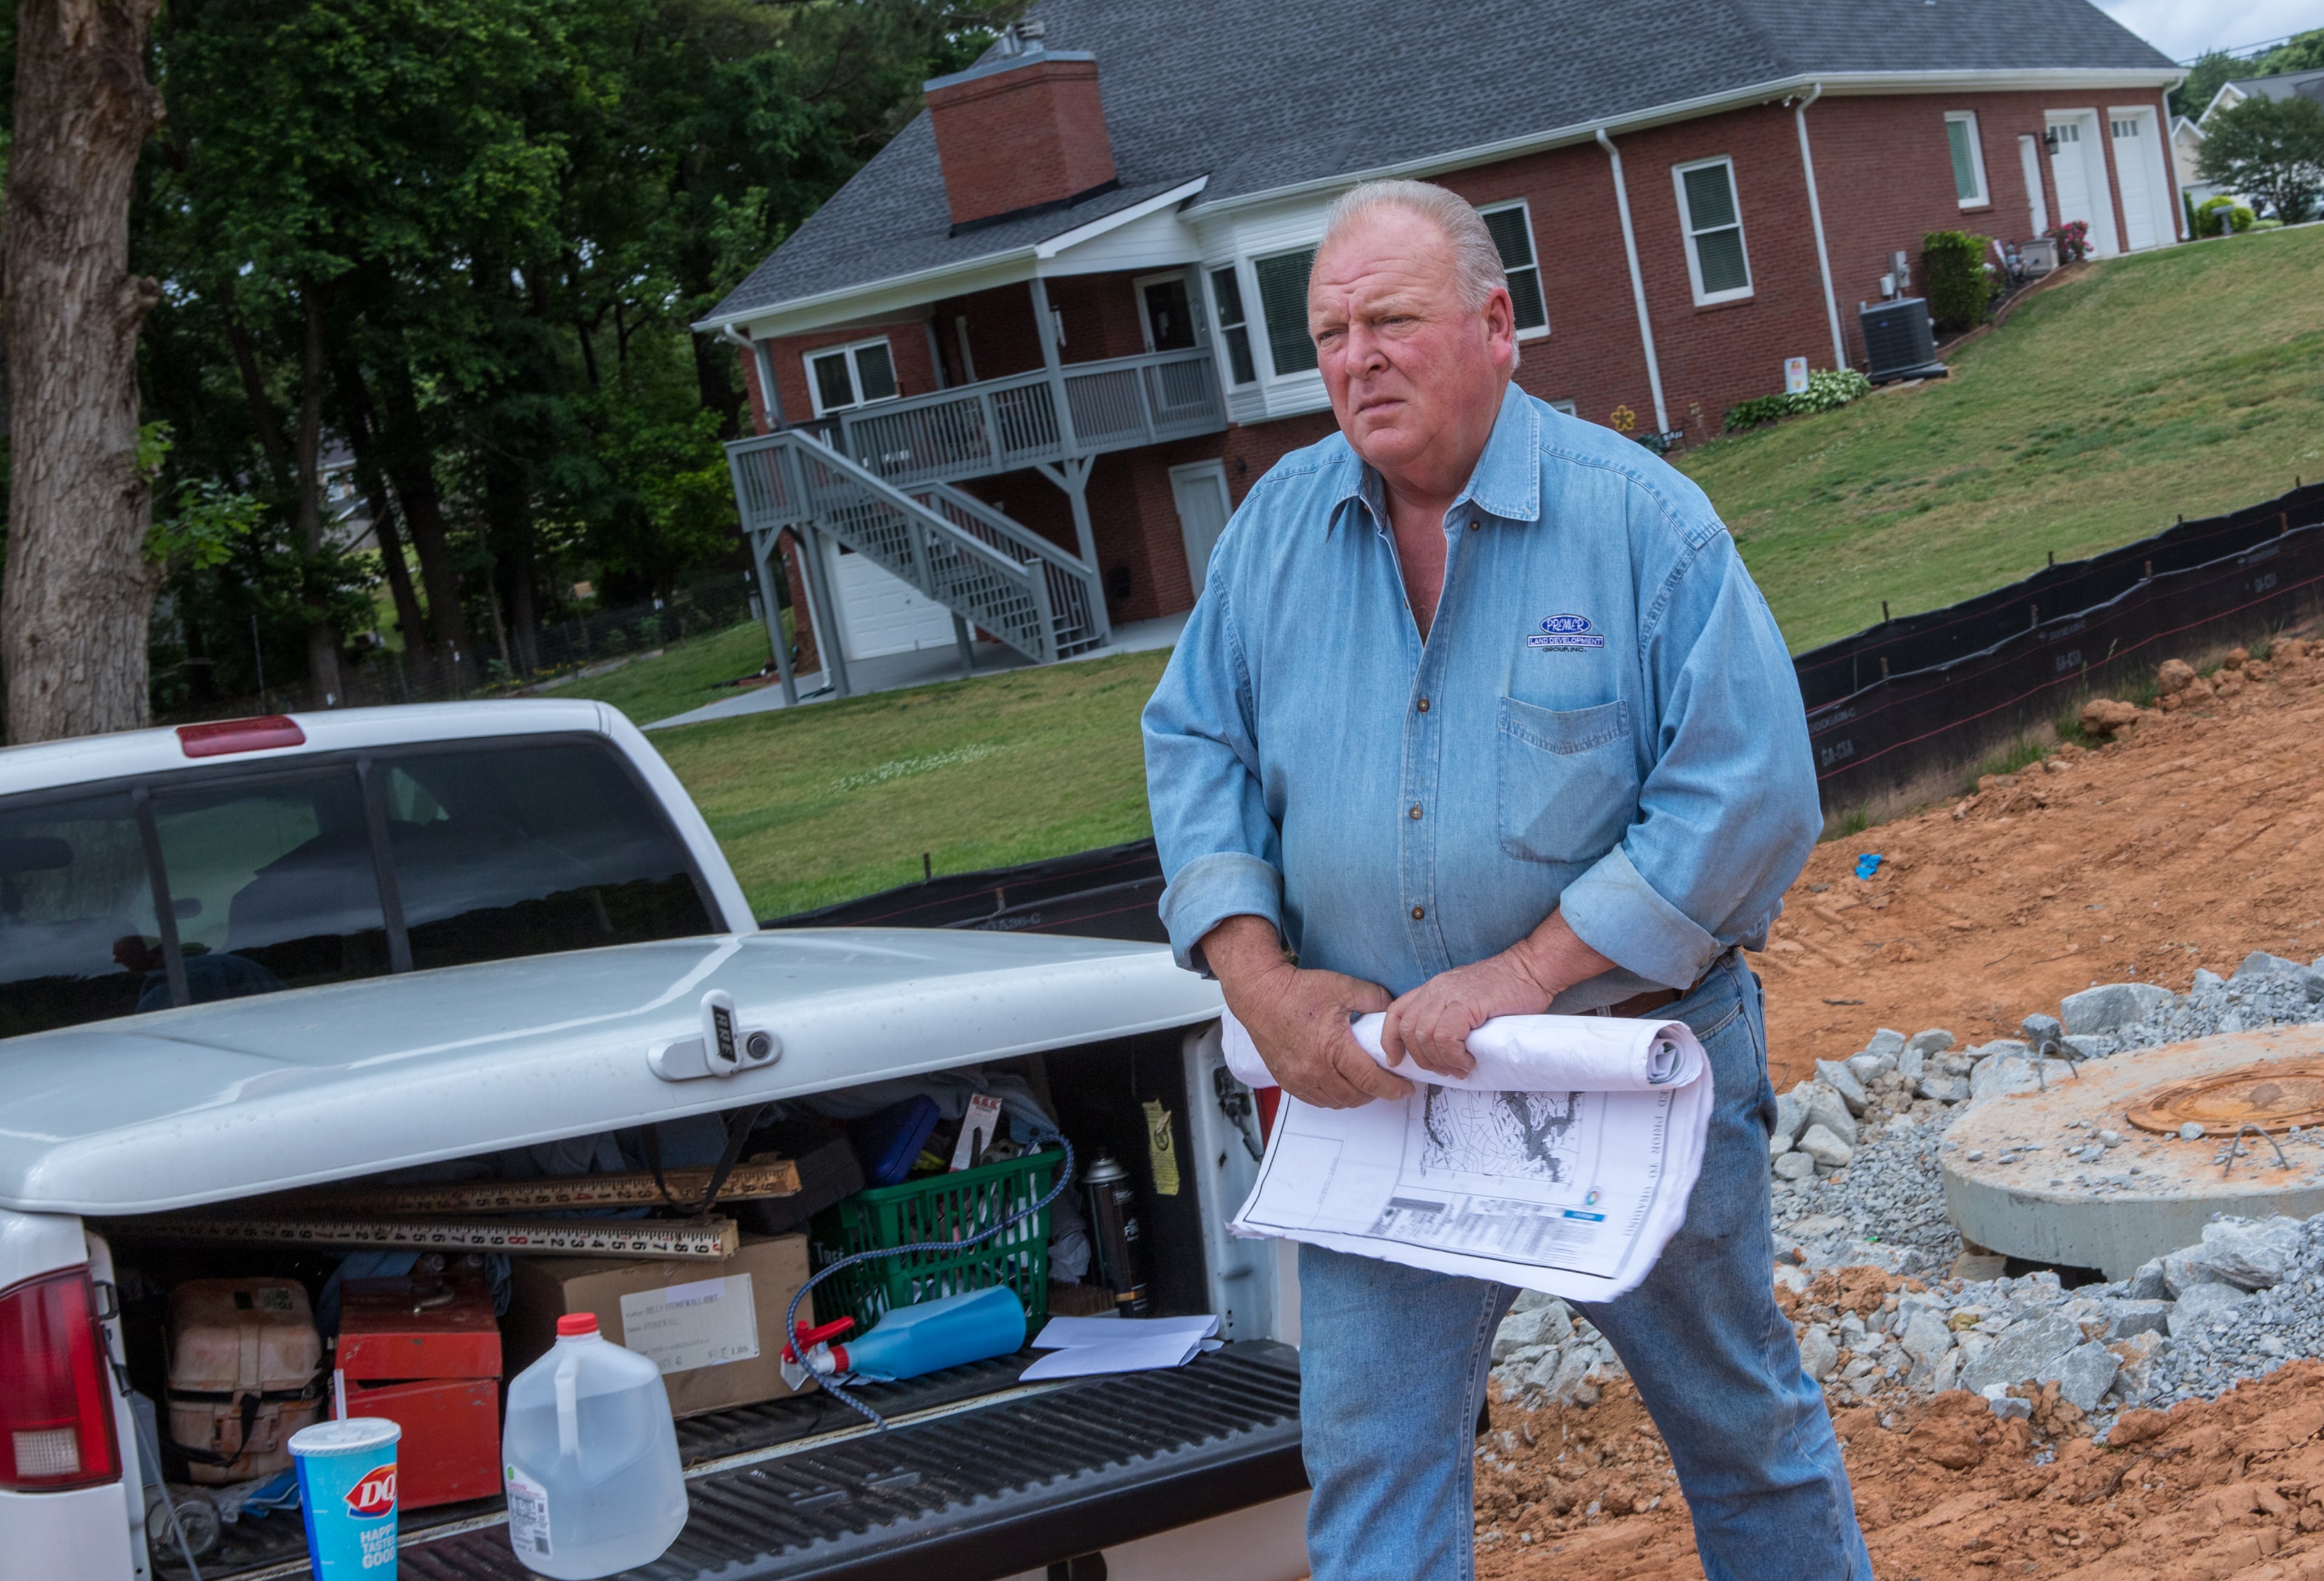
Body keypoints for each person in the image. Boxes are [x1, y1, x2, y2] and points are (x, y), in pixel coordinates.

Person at [1141, 180, 1868, 1580]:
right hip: (1376, 1089)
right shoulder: (1274, 535)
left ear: (1496, 325)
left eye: (1394, 321)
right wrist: (1262, 982)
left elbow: (1750, 792)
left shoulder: (1641, 528)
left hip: (1617, 1068)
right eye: (1333, 331)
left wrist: (1527, 971)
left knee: (1740, 1430)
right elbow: (1193, 749)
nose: (1359, 357)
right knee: (1373, 1460)